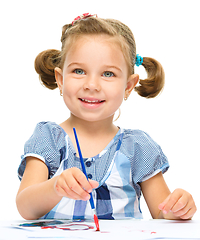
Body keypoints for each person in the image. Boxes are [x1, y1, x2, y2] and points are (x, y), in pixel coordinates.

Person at [16, 13, 196, 221]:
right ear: (61, 79)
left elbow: (163, 213)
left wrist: (178, 208)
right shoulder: (48, 138)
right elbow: (25, 207)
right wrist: (55, 187)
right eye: (79, 70)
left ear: (128, 86)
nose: (91, 85)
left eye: (108, 74)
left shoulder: (138, 147)